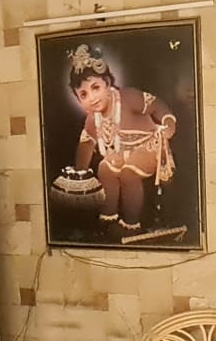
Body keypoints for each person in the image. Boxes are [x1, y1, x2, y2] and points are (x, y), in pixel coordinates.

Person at [65, 44, 177, 233]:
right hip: (119, 152)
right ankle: (108, 216)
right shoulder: (92, 118)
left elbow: (158, 105)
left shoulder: (128, 97)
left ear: (108, 83)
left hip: (149, 147)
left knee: (128, 173)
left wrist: (169, 124)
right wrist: (79, 172)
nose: (92, 97)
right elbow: (87, 143)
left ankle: (131, 225)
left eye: (95, 87)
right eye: (83, 94)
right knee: (104, 168)